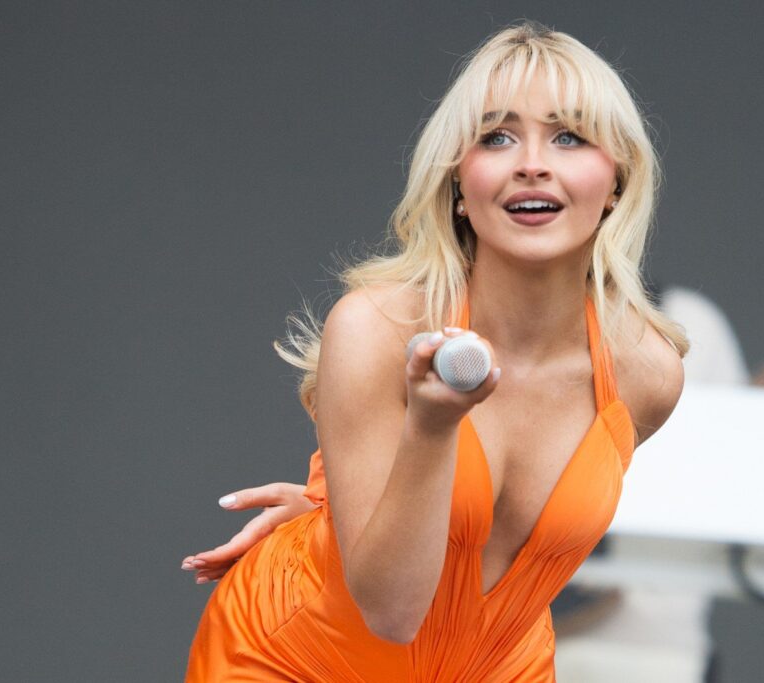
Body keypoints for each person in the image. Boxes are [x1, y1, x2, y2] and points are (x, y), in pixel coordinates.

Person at [183, 21, 687, 681]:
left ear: (617, 179)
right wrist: (429, 427)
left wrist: (340, 510)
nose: (531, 163)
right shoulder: (375, 328)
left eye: (569, 136)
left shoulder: (647, 374)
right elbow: (392, 612)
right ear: (458, 182)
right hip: (295, 658)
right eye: (496, 137)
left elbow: (486, 551)